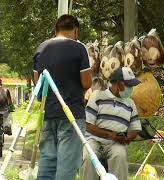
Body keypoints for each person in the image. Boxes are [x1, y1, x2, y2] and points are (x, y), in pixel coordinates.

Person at [33, 14, 92, 180]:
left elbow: (38, 85)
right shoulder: (79, 48)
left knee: (47, 163)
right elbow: (86, 83)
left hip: (47, 113)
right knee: (66, 167)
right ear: (76, 30)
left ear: (56, 30)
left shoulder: (41, 48)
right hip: (71, 113)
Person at [80, 67, 142, 180]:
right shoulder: (98, 96)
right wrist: (110, 135)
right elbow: (87, 125)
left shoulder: (130, 103)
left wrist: (129, 137)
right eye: (129, 85)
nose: (131, 89)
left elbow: (135, 128)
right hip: (94, 140)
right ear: (120, 84)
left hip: (116, 144)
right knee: (89, 157)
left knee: (120, 155)